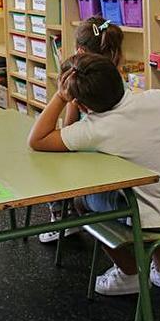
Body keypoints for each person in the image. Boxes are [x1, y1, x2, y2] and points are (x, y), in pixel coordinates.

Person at [28, 53, 160, 295]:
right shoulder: (157, 98)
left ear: (81, 104)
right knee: (149, 194)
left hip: (158, 219)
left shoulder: (94, 129)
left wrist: (61, 97)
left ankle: (130, 274)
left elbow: (37, 139)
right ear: (120, 76)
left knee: (83, 202)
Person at [38, 17, 125, 244]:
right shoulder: (118, 82)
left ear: (80, 51)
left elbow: (67, 130)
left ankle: (64, 217)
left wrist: (66, 99)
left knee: (51, 160)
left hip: (98, 155)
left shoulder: (86, 84)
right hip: (118, 154)